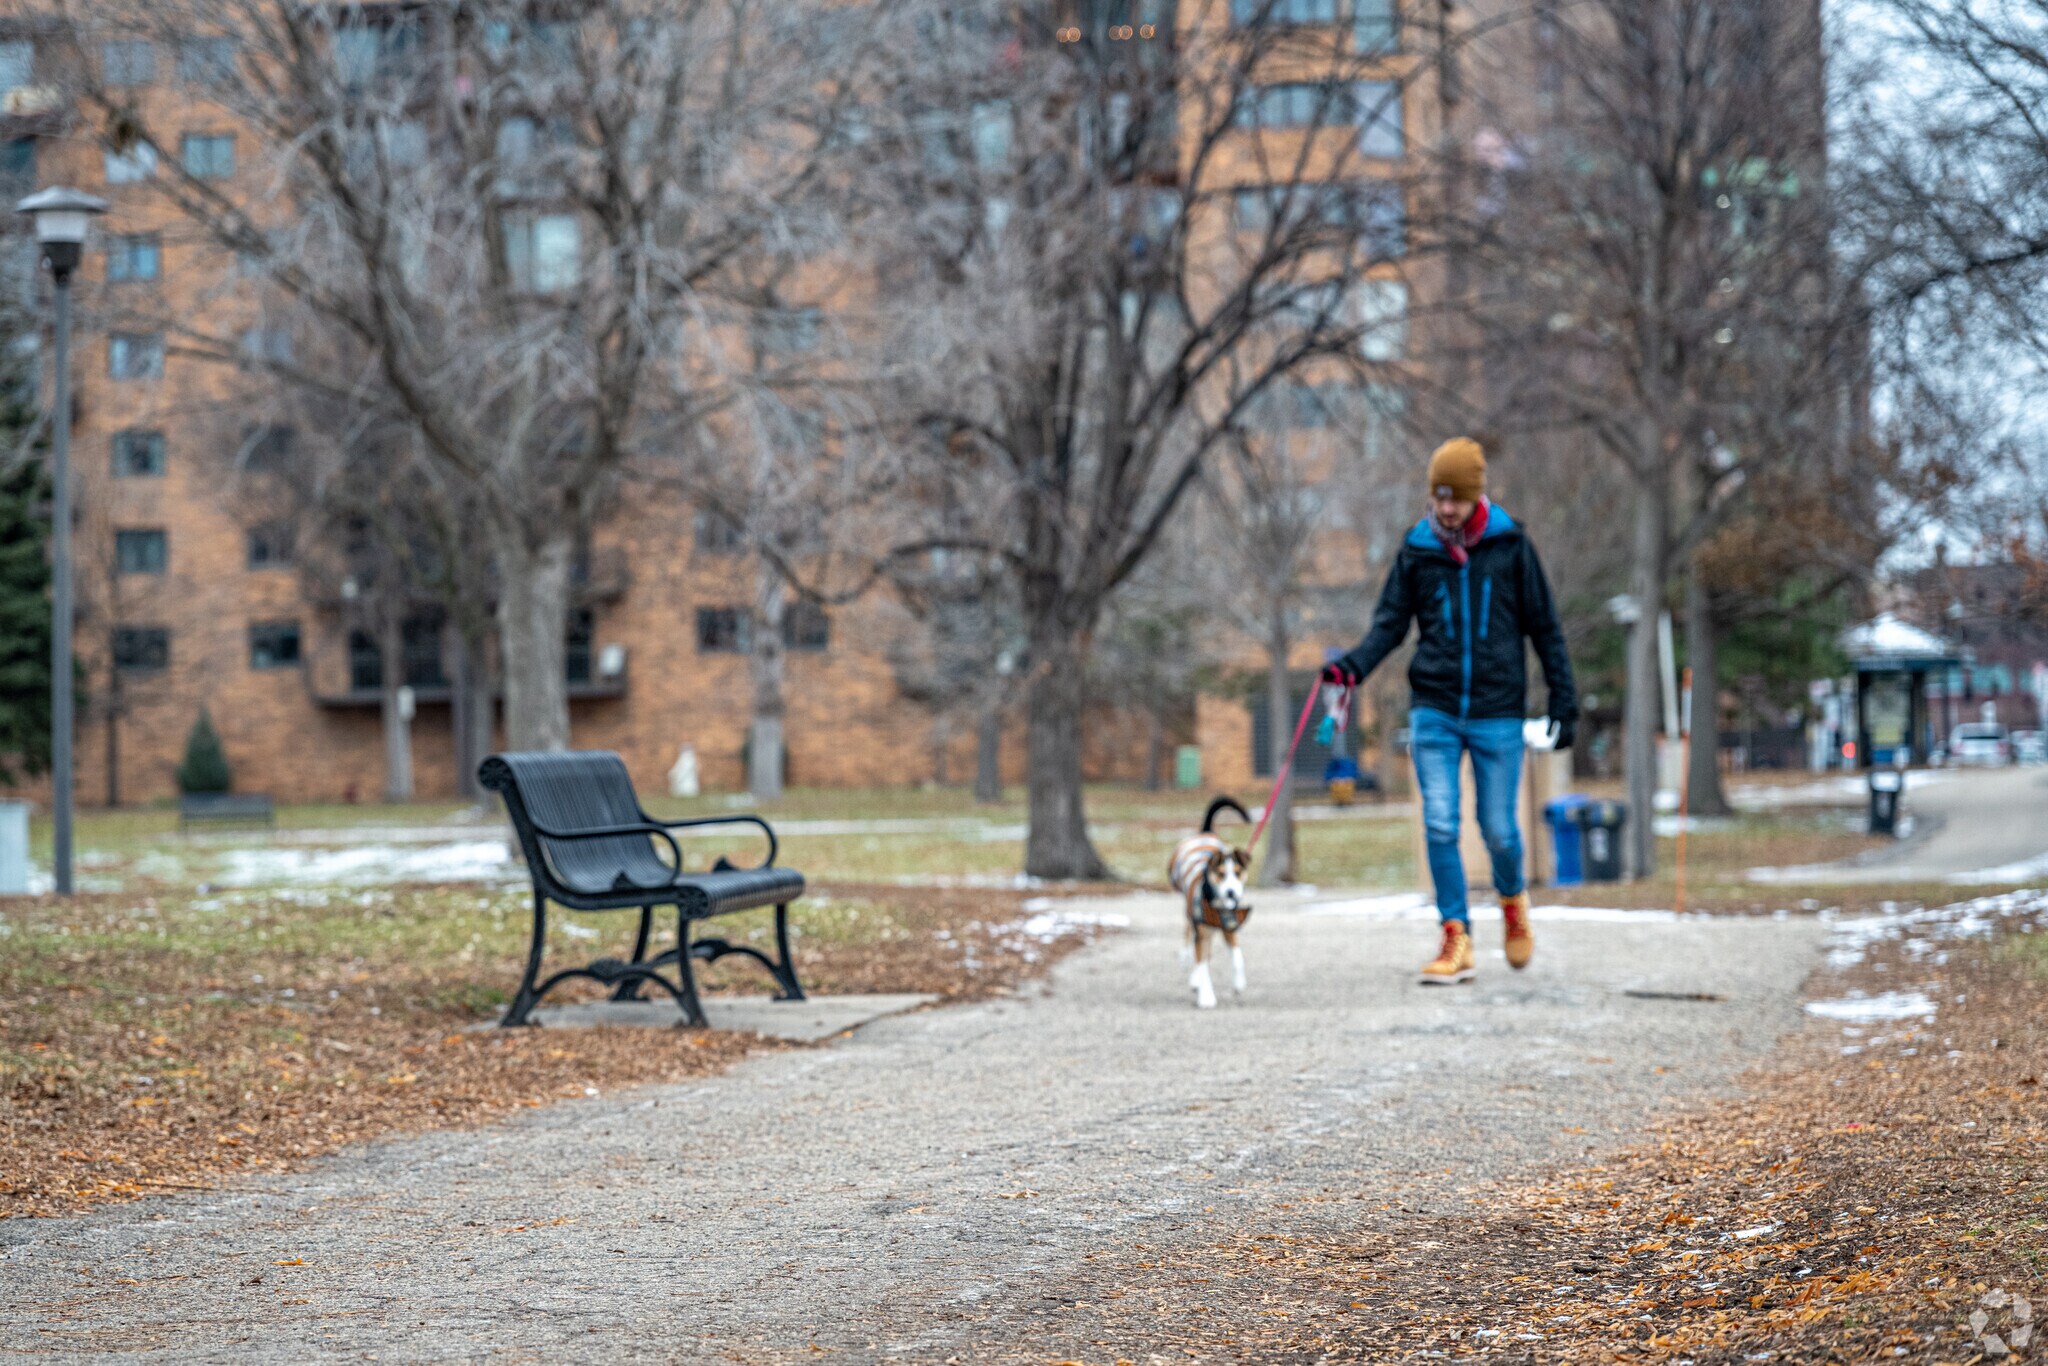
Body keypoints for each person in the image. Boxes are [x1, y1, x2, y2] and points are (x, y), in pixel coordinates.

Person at [1323, 438, 1577, 984]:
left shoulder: (1511, 546)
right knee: (1440, 823)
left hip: (1497, 711)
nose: (1445, 510)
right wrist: (1352, 669)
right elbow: (1390, 624)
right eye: (1438, 499)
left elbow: (1545, 627)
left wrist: (1564, 697)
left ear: (1476, 495)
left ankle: (1512, 902)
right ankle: (1455, 935)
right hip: (1434, 708)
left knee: (1500, 830)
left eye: (1455, 500)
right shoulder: (1418, 550)